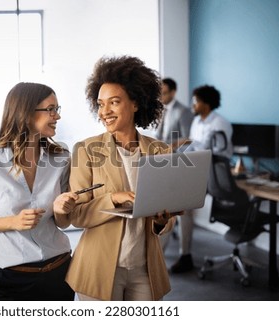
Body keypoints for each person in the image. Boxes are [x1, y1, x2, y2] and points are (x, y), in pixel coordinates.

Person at [54, 56, 178, 301]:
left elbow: (170, 216)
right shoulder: (86, 150)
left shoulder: (160, 151)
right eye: (100, 104)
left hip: (145, 268)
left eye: (114, 102)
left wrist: (161, 221)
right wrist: (113, 199)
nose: (105, 111)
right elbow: (77, 215)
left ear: (135, 103)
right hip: (99, 268)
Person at [0, 82, 76, 301]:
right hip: (14, 278)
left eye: (57, 109)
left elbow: (63, 223)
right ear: (25, 113)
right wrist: (13, 222)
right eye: (50, 109)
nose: (57, 116)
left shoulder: (61, 157)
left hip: (60, 271)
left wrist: (62, 209)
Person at [167, 84, 233, 273]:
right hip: (197, 171)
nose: (192, 104)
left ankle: (185, 256)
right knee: (177, 206)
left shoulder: (220, 123)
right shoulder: (197, 122)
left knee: (182, 207)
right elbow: (193, 149)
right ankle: (182, 255)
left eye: (195, 101)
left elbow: (211, 150)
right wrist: (176, 153)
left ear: (205, 103)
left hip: (214, 174)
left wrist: (186, 143)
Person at [156, 78, 193, 148]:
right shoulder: (162, 109)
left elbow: (187, 138)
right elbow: (159, 135)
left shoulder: (183, 111)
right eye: (159, 93)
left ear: (172, 93)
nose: (160, 97)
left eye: (164, 93)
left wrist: (171, 146)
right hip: (160, 151)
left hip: (175, 153)